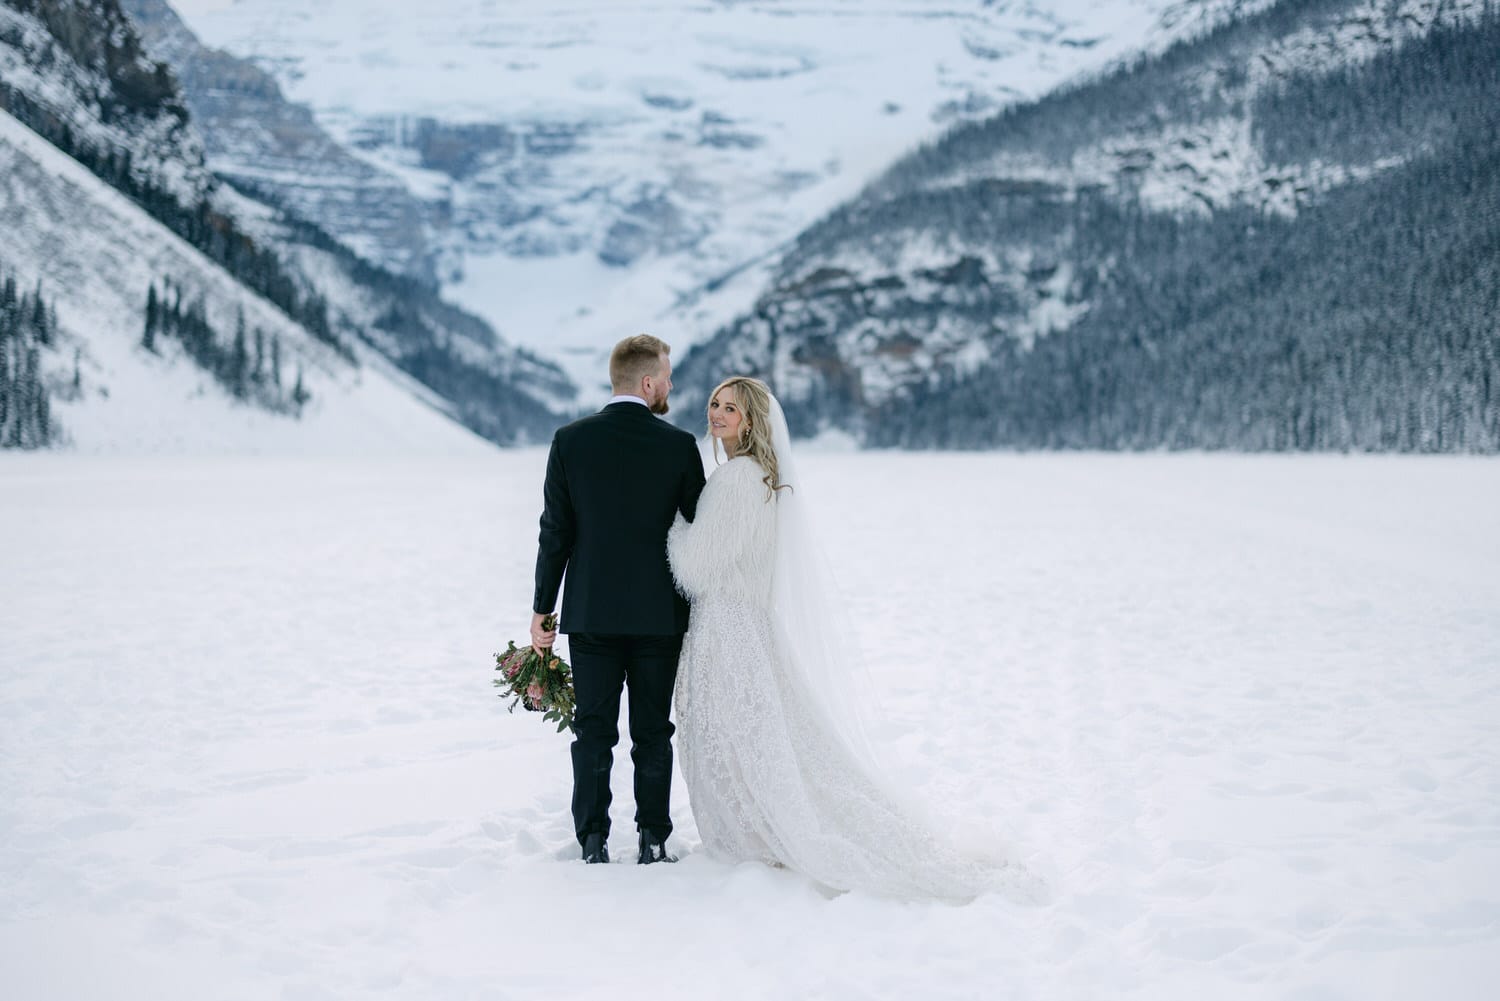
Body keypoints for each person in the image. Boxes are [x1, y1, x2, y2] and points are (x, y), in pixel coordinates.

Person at [666, 376, 1042, 901]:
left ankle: (758, 837)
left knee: (737, 741)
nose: (717, 413)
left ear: (751, 420)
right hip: (751, 627)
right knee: (760, 739)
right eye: (713, 403)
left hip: (727, 631)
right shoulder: (764, 479)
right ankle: (761, 831)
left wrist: (671, 528)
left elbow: (698, 567)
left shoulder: (734, 481)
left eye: (730, 407)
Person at [530, 334, 706, 864]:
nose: (671, 385)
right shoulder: (678, 446)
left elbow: (554, 531)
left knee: (592, 733)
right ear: (648, 382)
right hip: (660, 617)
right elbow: (700, 532)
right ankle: (653, 838)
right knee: (653, 732)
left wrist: (543, 609)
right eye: (668, 377)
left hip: (592, 614)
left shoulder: (569, 441)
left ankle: (592, 839)